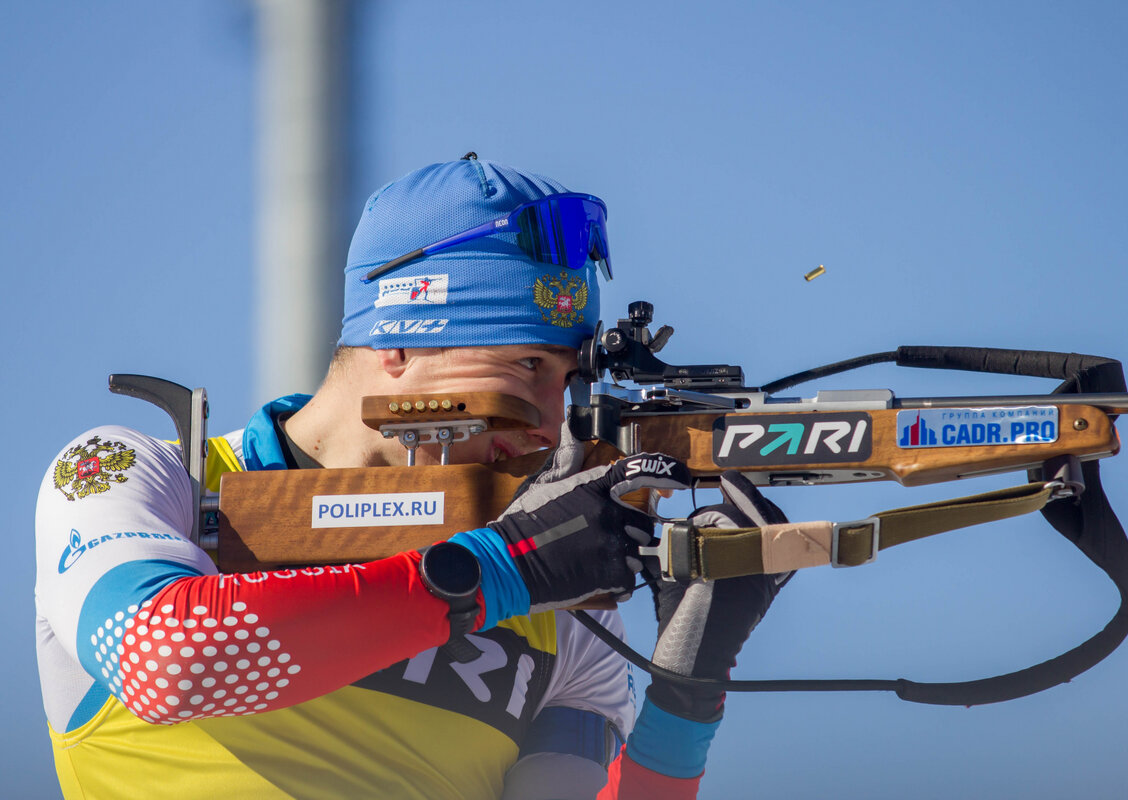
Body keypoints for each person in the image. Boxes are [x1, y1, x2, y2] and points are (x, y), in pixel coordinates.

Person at [35, 156, 790, 799]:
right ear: (397, 340)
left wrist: (685, 691)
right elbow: (167, 663)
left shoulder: (565, 610)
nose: (550, 423)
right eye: (527, 364)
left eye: (569, 380)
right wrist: (506, 565)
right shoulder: (138, 474)